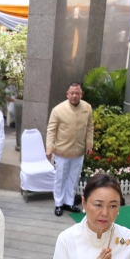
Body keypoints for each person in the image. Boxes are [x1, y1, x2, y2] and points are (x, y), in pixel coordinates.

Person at [46, 83, 94, 216]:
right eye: (72, 93)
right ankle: (58, 204)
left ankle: (69, 202)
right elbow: (51, 130)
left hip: (79, 151)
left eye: (77, 93)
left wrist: (89, 144)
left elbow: (90, 127)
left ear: (81, 94)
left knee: (74, 178)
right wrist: (49, 148)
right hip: (62, 151)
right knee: (60, 178)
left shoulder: (87, 107)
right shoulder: (58, 109)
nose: (74, 96)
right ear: (67, 94)